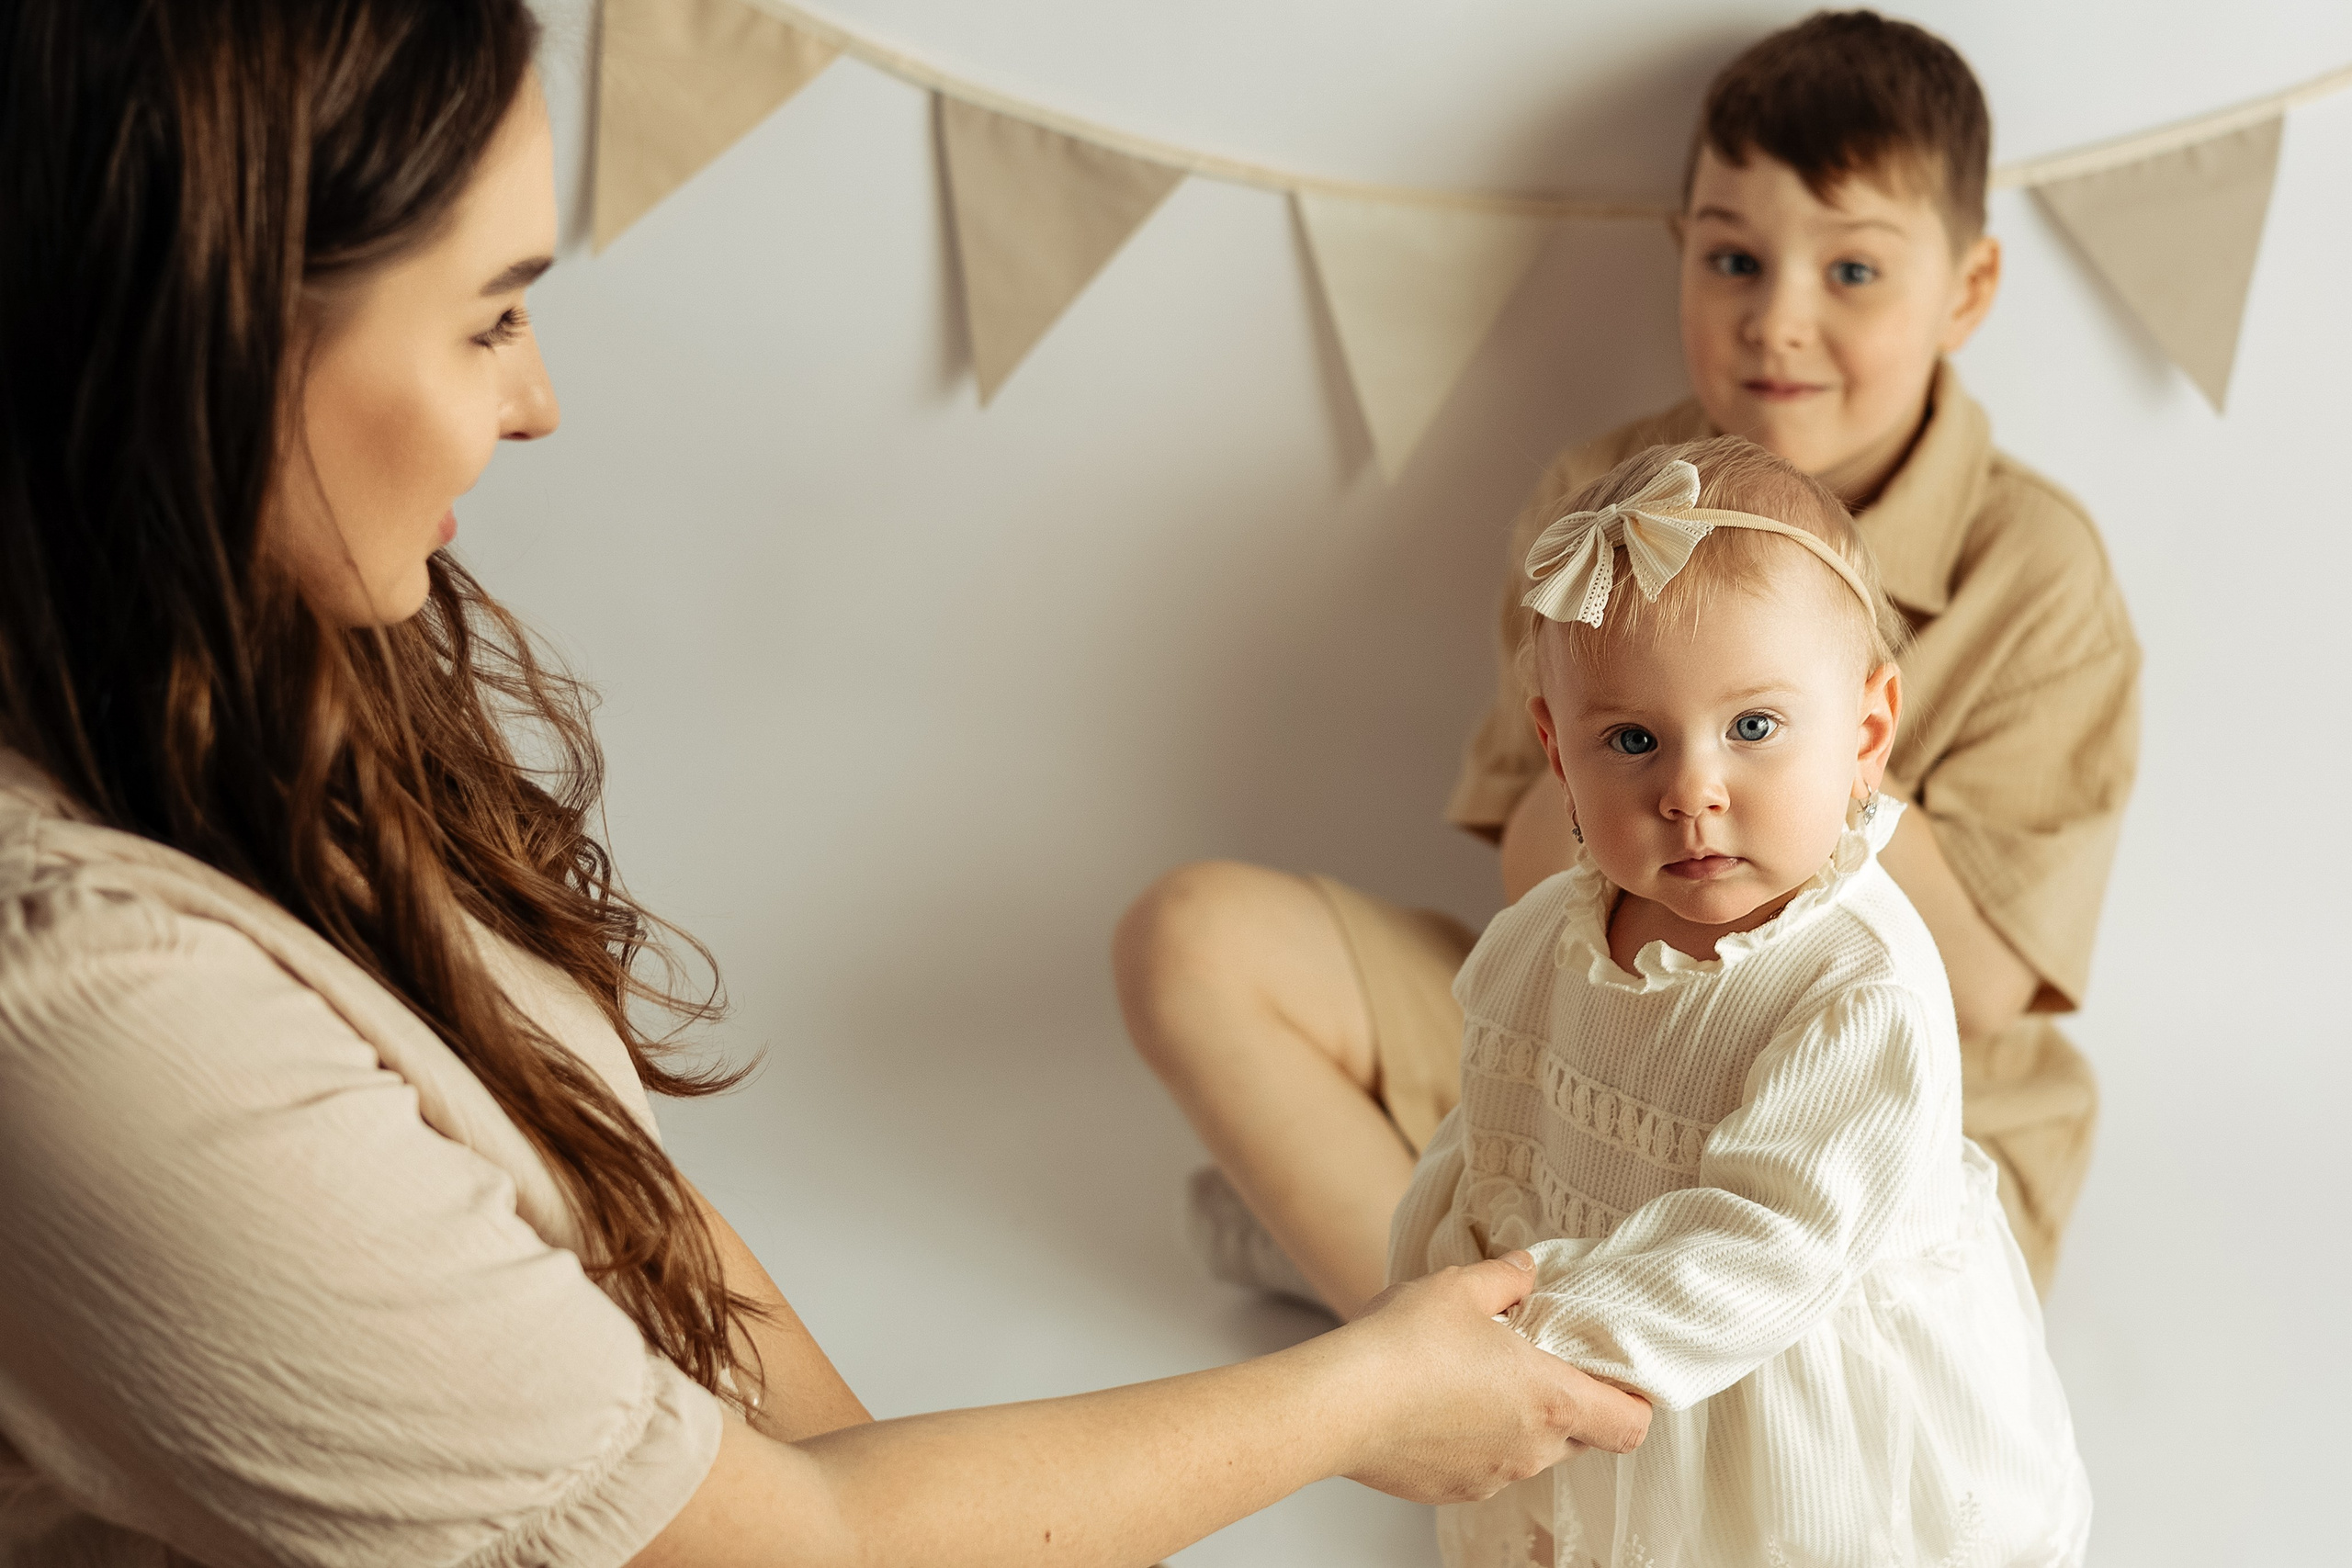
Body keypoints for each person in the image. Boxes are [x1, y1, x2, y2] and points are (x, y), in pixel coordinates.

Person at [0, 3, 1654, 1564]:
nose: (539, 399)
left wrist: (920, 1491)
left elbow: (634, 1207)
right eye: (490, 315)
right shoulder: (94, 1006)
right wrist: (1362, 1399)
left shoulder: (258, 676)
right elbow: (789, 1545)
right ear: (215, 345)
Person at [1118, 9, 2138, 1316]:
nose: (1777, 321)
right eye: (1733, 258)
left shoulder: (2037, 569)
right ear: (1681, 254)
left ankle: (1417, 1278)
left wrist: (1782, 705)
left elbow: (1984, 982)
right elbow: (1535, 871)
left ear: (1969, 290)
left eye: (1853, 270)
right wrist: (1645, 716)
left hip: (1894, 1112)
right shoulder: (1602, 504)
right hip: (1603, 1045)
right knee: (1190, 939)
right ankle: (1428, 1317)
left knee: (1813, 1351)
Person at [1390, 436, 2090, 1564]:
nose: (1691, 791)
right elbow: (1487, 1137)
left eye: (1752, 728)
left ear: (1865, 734)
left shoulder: (1857, 985)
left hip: (1776, 1391)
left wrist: (1534, 1341)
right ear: (1557, 755)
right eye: (1630, 740)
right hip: (1581, 1360)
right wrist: (1431, 1284)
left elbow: (1771, 1242)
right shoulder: (1540, 941)